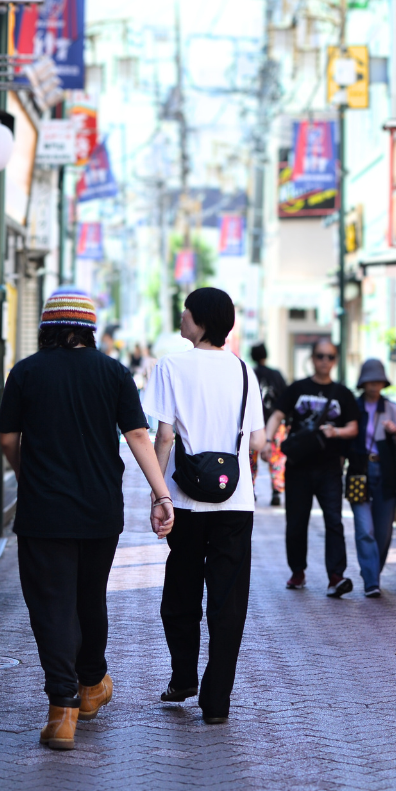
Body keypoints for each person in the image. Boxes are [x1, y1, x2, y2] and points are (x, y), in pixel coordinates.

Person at [0, 288, 174, 752]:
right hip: (99, 511)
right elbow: (138, 434)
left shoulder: (26, 372)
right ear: (90, 329)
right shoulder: (113, 372)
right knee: (90, 597)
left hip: (43, 514)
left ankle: (62, 711)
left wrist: (28, 476)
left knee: (51, 607)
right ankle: (92, 683)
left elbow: (8, 441)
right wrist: (161, 494)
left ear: (47, 327)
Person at [145, 288, 266, 725]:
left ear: (199, 320)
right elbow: (256, 442)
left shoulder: (171, 365)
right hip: (236, 502)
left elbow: (163, 437)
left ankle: (183, 678)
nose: (181, 316)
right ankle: (217, 702)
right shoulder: (243, 370)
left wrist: (159, 494)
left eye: (186, 310)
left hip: (185, 501)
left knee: (181, 594)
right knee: (228, 602)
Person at [262, 338, 358, 597]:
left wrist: (335, 431)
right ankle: (297, 571)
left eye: (329, 357)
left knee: (334, 522)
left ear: (335, 360)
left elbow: (354, 427)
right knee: (296, 522)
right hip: (298, 467)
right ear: (312, 358)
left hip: (329, 469)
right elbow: (277, 415)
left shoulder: (343, 393)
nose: (324, 361)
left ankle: (336, 577)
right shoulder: (297, 388)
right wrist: (268, 441)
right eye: (320, 356)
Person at [351, 358, 396, 598]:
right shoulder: (353, 407)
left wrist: (394, 431)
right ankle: (371, 580)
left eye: (378, 380)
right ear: (363, 382)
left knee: (383, 533)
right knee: (364, 529)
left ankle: (372, 574)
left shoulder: (392, 409)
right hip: (359, 473)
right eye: (370, 380)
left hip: (386, 474)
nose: (374, 385)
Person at [250, 343, 287, 505]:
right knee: (276, 457)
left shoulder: (250, 373)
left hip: (253, 423)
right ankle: (276, 490)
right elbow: (286, 397)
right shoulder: (276, 375)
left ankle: (251, 489)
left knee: (251, 457)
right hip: (276, 422)